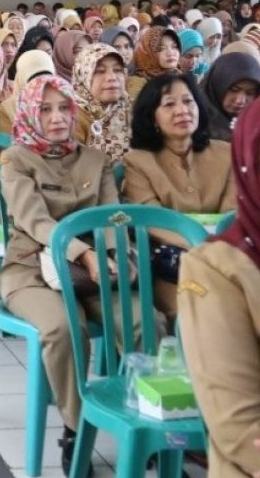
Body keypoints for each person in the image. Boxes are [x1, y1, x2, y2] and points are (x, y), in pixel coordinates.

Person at [0, 75, 129, 478]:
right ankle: (75, 430)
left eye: (64, 108)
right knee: (62, 327)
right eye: (45, 109)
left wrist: (107, 253)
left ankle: (146, 423)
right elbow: (34, 221)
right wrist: (84, 252)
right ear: (29, 113)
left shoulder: (95, 159)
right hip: (30, 269)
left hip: (92, 271)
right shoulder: (16, 160)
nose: (57, 118)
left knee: (146, 321)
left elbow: (112, 214)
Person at [178, 99, 260, 478]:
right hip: (140, 261)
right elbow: (242, 424)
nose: (179, 111)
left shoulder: (214, 153)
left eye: (186, 102)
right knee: (125, 321)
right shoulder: (221, 268)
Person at [123, 73, 233, 319]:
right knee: (201, 311)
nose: (182, 110)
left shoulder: (226, 154)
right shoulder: (138, 162)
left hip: (224, 259)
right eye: (169, 104)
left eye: (188, 101)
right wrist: (200, 242)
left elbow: (231, 216)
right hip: (170, 269)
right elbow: (152, 221)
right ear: (152, 117)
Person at [70, 43, 131, 163]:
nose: (111, 77)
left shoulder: (133, 109)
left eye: (118, 70)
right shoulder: (73, 120)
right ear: (83, 77)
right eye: (100, 71)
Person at [200, 51, 260, 142]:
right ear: (217, 85)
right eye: (234, 90)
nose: (241, 100)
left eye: (250, 93)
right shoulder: (194, 123)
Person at [127, 26, 181, 100]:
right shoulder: (137, 84)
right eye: (161, 48)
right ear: (148, 52)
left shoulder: (178, 75)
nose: (171, 53)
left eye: (174, 47)